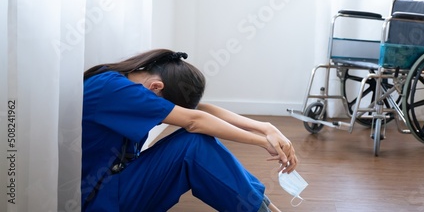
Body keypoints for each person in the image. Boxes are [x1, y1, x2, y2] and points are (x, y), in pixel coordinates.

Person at [82, 48, 298, 212]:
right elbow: (195, 120)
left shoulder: (120, 83)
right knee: (193, 144)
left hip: (114, 189)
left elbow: (202, 110)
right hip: (100, 201)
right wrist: (261, 141)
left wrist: (265, 127)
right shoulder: (115, 89)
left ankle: (263, 207)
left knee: (194, 143)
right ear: (156, 87)